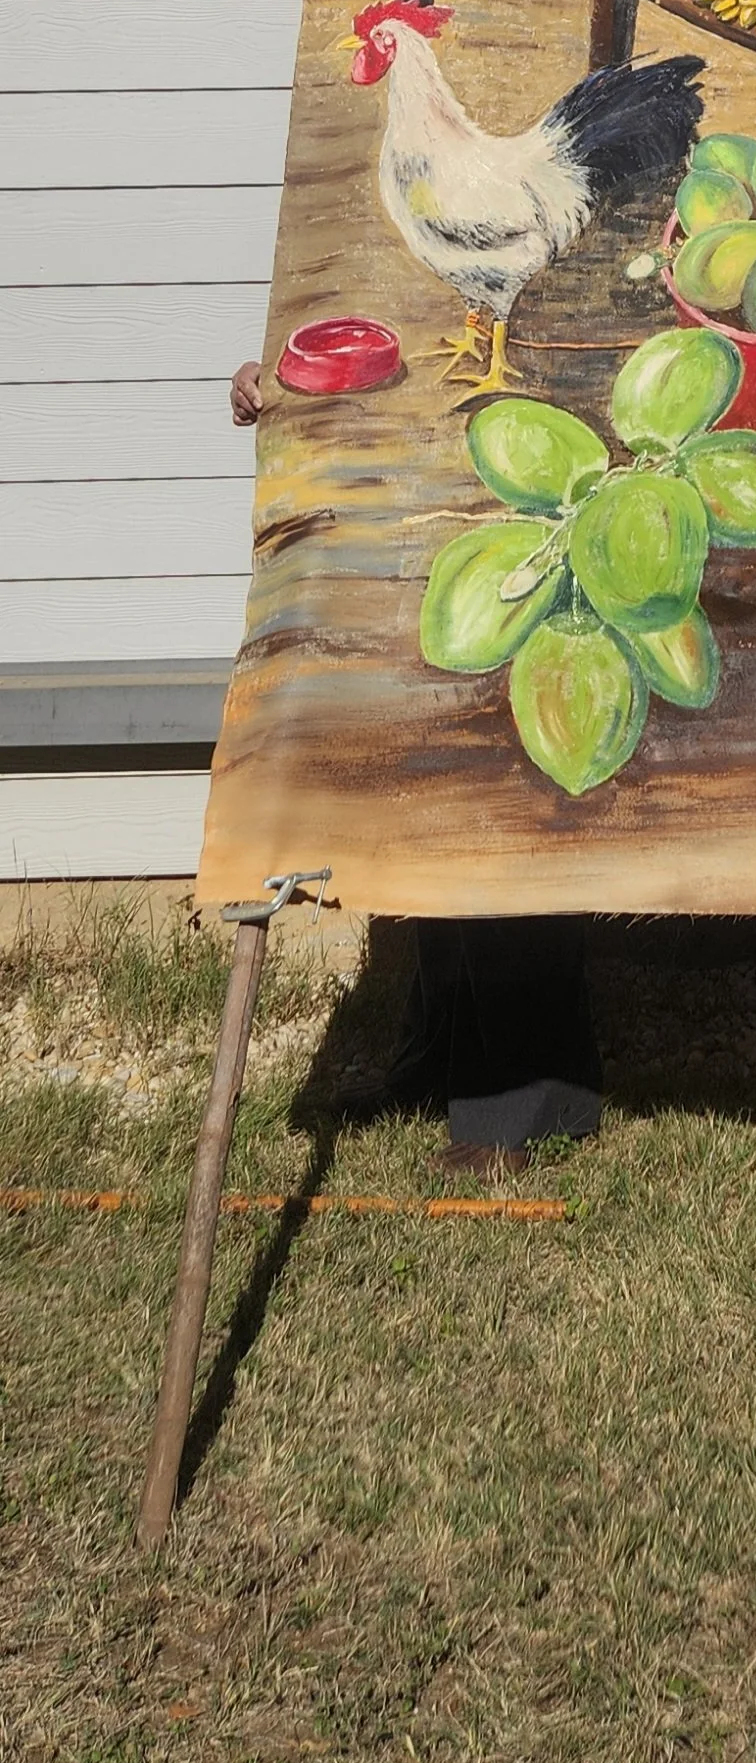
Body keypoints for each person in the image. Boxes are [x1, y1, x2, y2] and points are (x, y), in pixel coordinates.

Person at [229, 359, 601, 1169]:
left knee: (508, 785)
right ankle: (439, 1055)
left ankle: (525, 1095)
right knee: (432, 782)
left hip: (529, 447)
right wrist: (282, 382)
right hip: (431, 482)